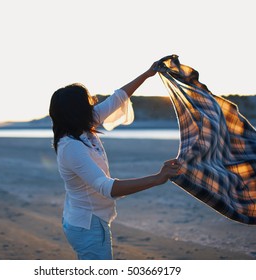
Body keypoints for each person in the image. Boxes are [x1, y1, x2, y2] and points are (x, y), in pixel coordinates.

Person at [49, 61, 181, 260]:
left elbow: (118, 98)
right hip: (88, 226)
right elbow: (107, 188)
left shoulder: (83, 125)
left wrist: (148, 73)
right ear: (78, 110)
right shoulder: (71, 147)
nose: (93, 102)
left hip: (86, 219)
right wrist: (158, 178)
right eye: (88, 101)